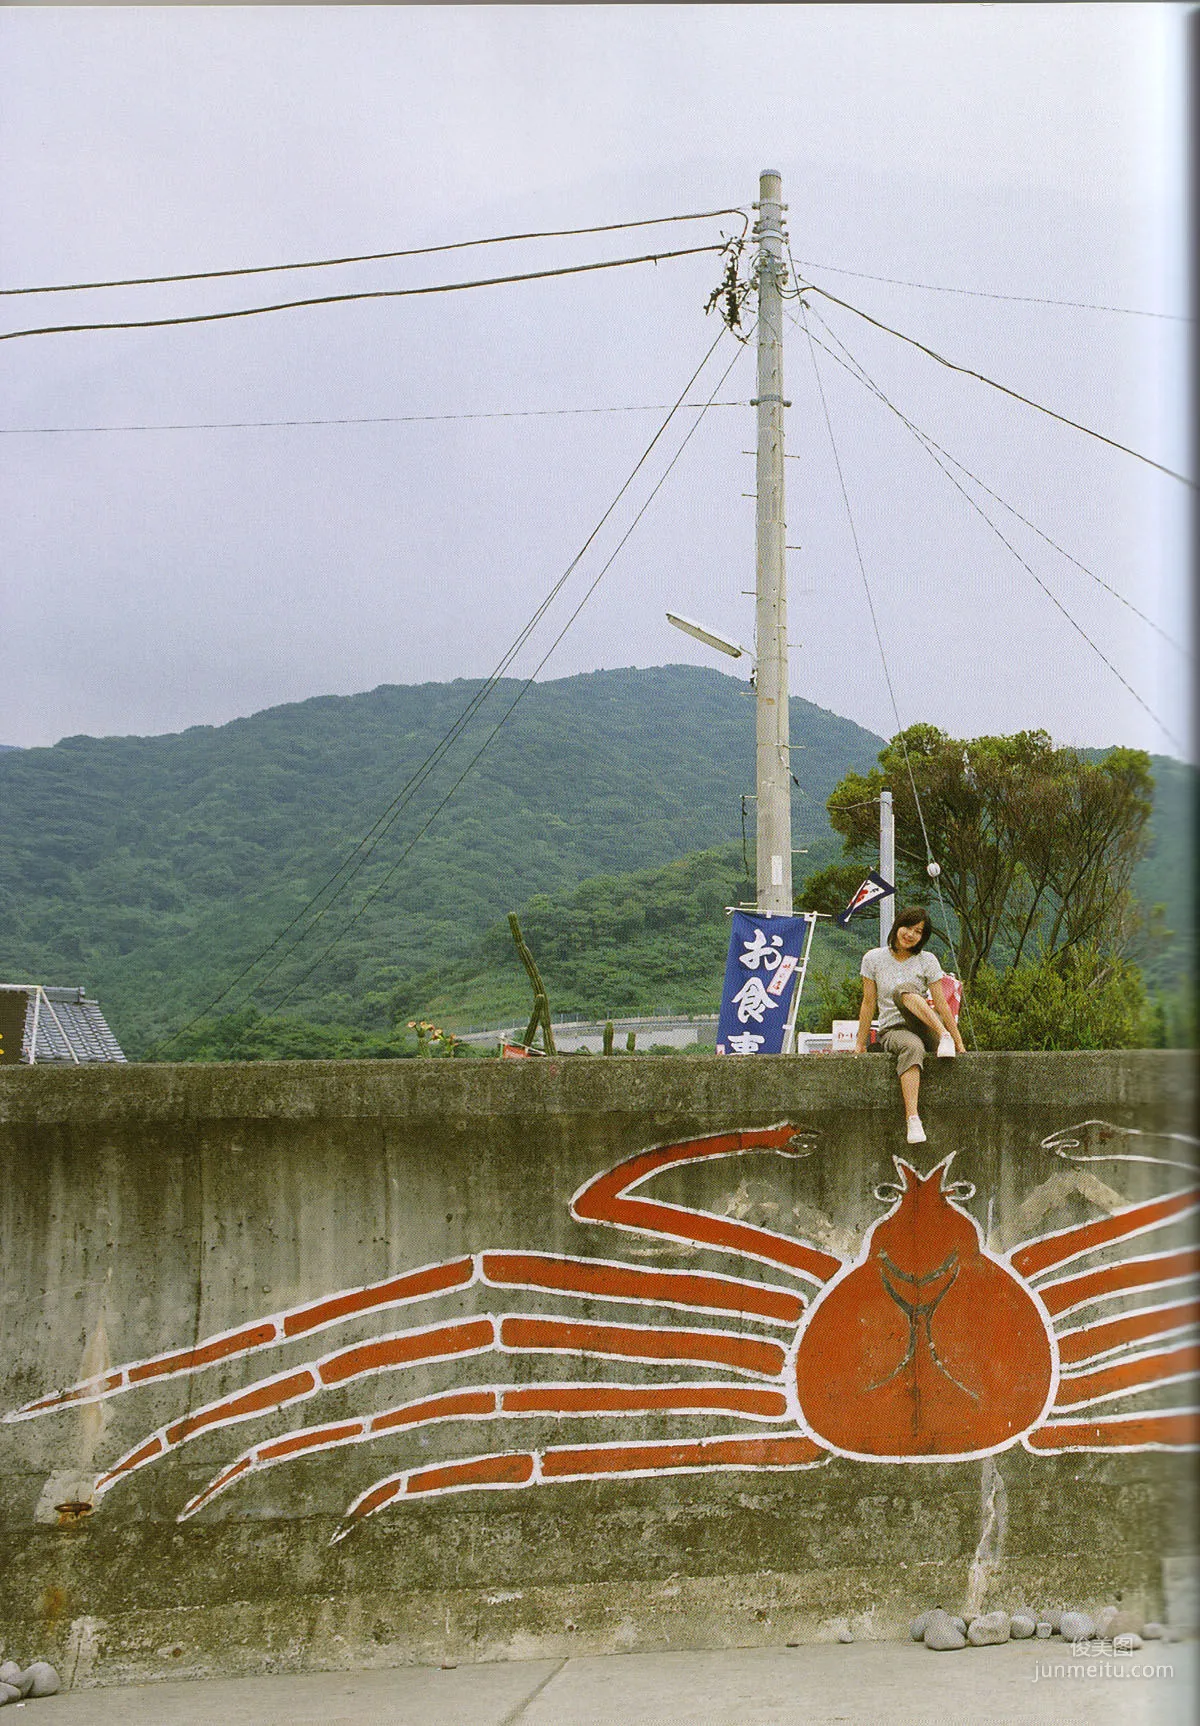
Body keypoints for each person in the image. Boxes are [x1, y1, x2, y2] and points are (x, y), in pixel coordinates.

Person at [854, 905, 965, 1145]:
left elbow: (942, 1004)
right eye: (908, 927)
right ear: (897, 926)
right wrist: (860, 1043)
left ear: (922, 937)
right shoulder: (873, 959)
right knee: (911, 1042)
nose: (910, 934)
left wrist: (957, 1040)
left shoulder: (927, 960)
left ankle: (943, 1036)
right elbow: (868, 1003)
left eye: (918, 931)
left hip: (928, 1025)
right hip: (894, 1030)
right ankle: (913, 1119)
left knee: (906, 990)